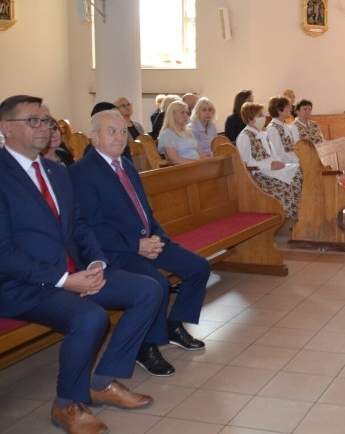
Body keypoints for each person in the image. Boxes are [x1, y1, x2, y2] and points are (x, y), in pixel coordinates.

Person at [0, 95, 161, 434]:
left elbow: (80, 226)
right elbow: (4, 252)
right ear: (5, 127)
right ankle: (66, 404)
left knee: (149, 289)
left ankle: (102, 381)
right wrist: (64, 280)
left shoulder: (57, 172)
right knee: (90, 317)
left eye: (46, 120)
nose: (43, 127)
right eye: (33, 121)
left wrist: (98, 261)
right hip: (21, 283)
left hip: (73, 272)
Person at [70, 110, 211, 378]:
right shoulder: (82, 172)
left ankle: (173, 325)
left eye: (123, 131)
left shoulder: (127, 165)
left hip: (147, 241)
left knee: (199, 268)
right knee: (157, 284)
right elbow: (92, 227)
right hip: (117, 251)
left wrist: (158, 236)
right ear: (94, 136)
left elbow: (145, 210)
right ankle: (146, 346)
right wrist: (137, 245)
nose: (120, 137)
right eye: (111, 131)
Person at [236, 102, 302, 220]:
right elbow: (245, 164)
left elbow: (274, 154)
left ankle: (302, 212)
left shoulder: (263, 134)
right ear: (251, 119)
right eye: (260, 115)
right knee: (296, 176)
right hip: (261, 174)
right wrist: (268, 166)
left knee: (300, 169)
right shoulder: (244, 137)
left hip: (274, 169)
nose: (263, 117)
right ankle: (294, 216)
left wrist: (279, 163)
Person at [266, 95, 300, 163]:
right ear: (279, 110)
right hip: (285, 167)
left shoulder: (286, 126)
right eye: (287, 107)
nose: (290, 109)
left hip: (293, 163)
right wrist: (296, 163)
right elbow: (278, 154)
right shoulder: (272, 129)